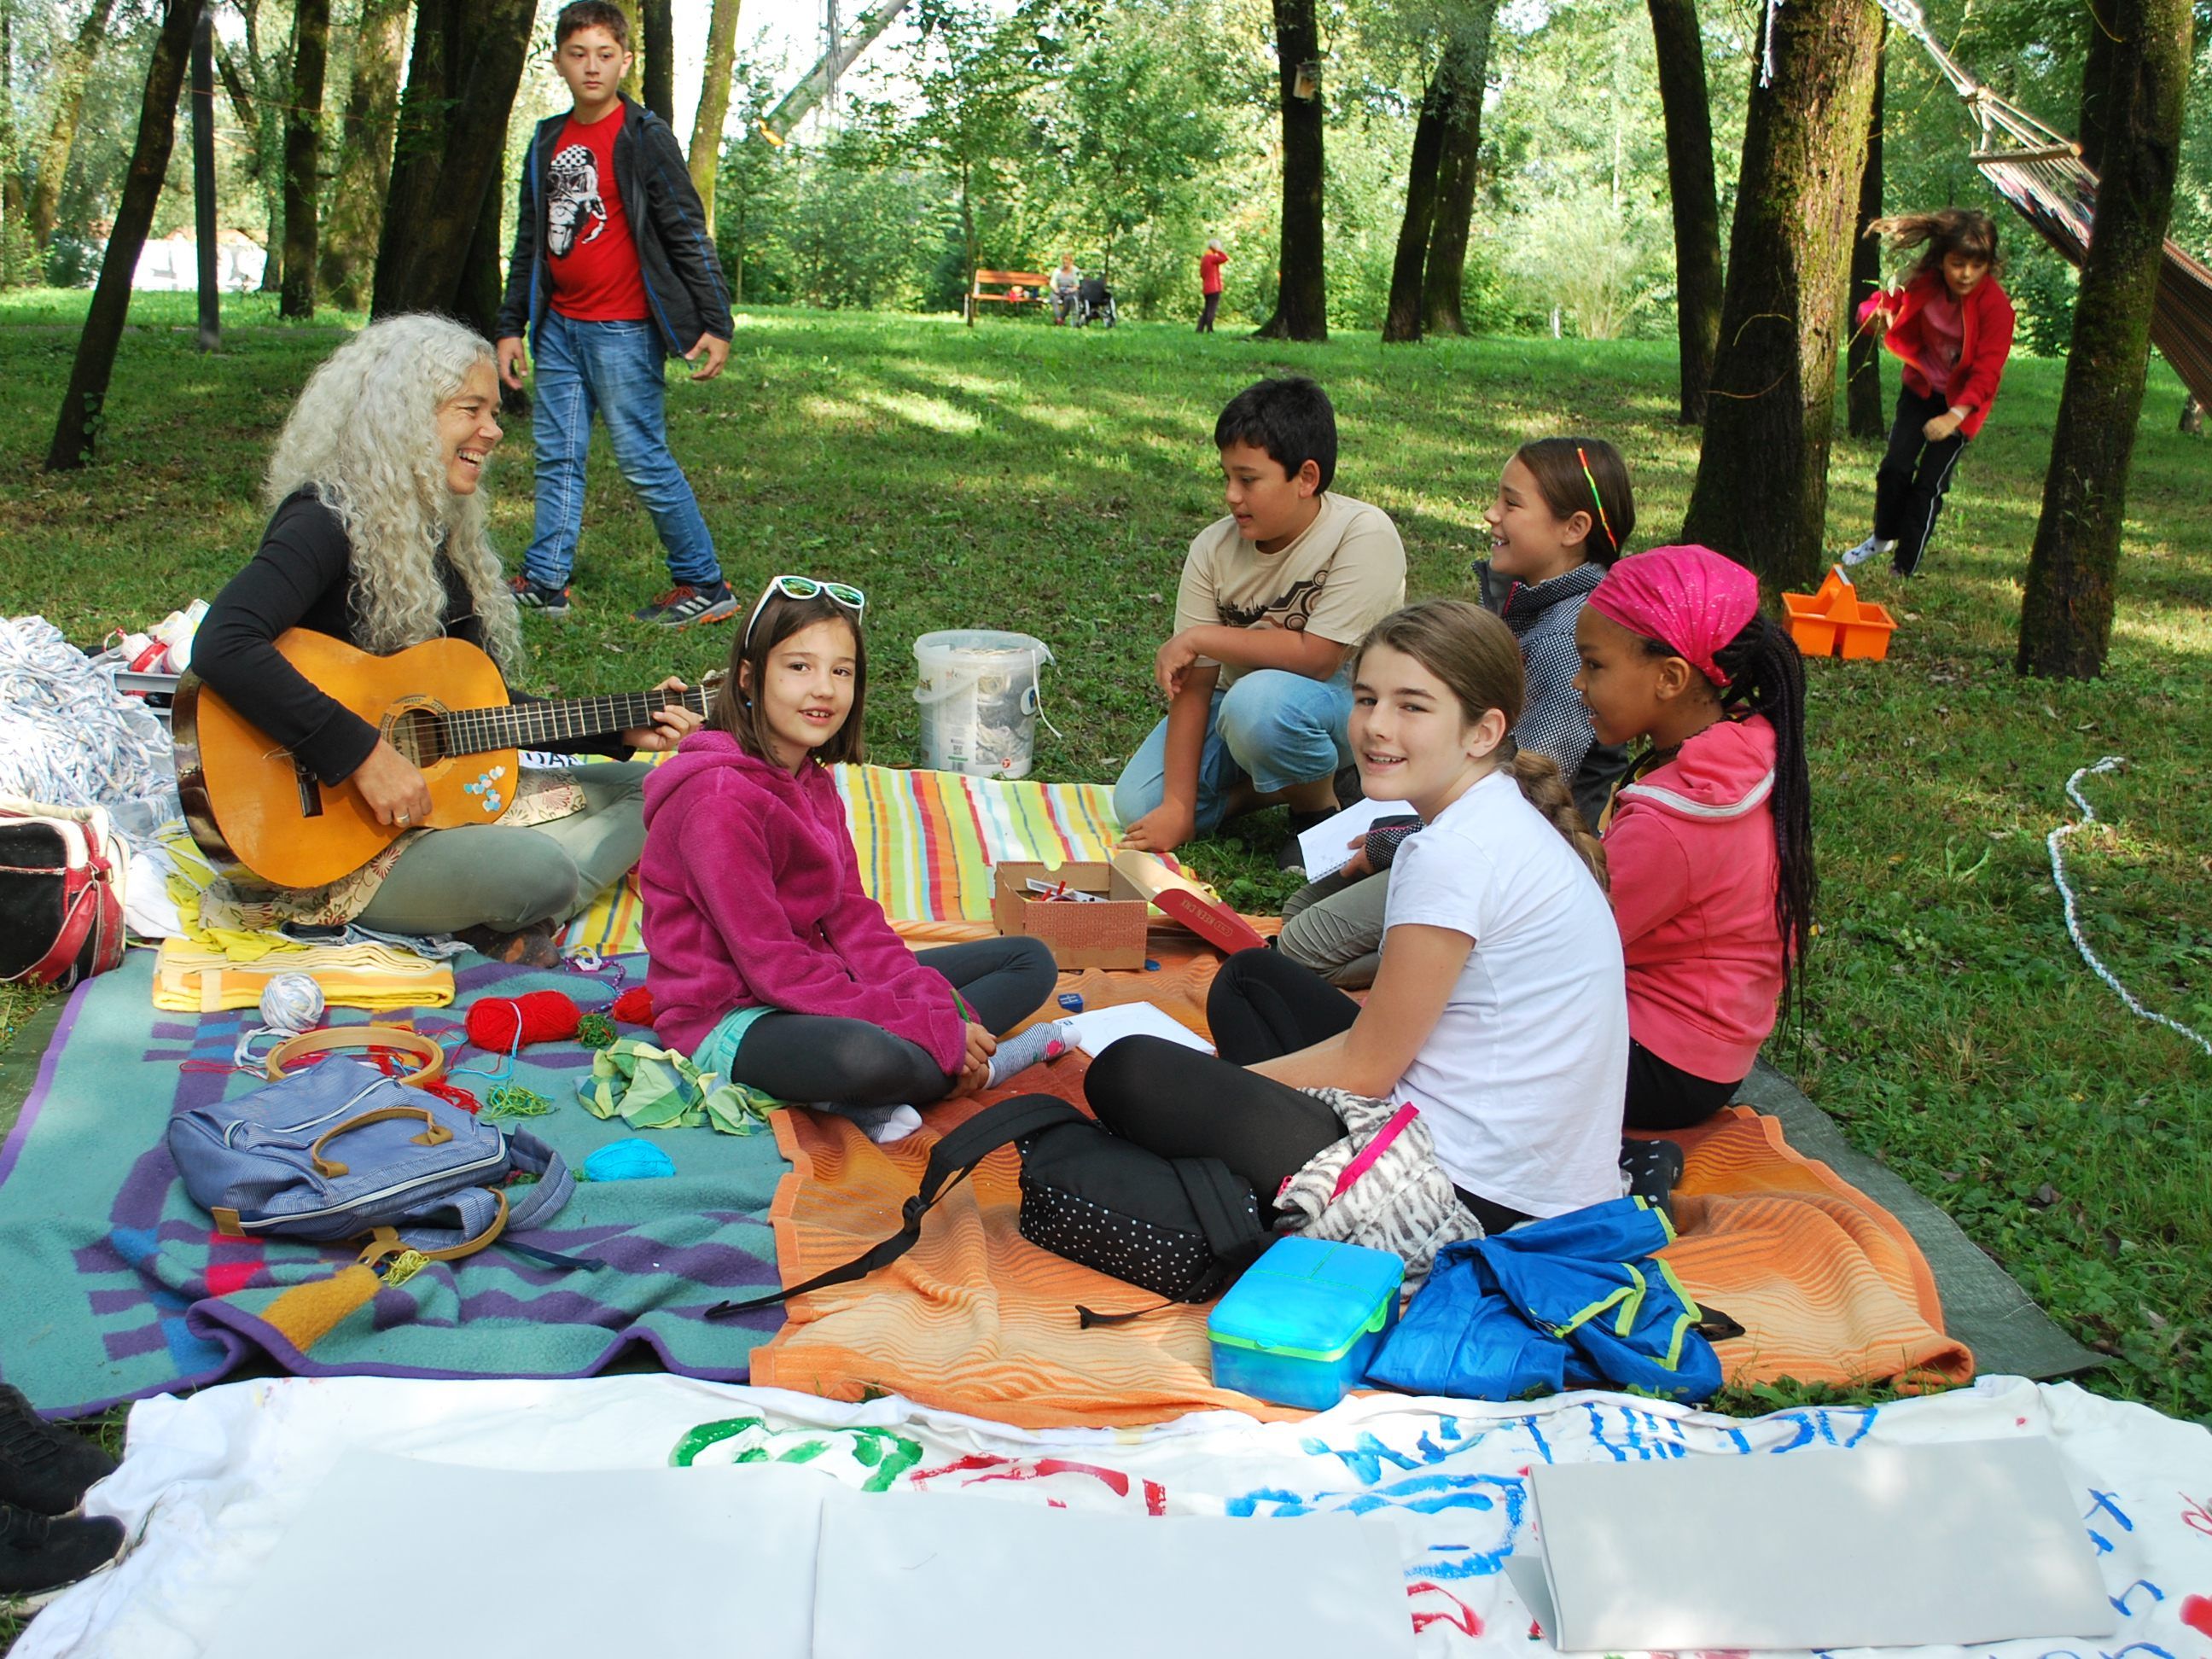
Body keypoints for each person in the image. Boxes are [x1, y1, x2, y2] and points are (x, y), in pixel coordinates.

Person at [1087, 601, 1627, 1234]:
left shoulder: (1453, 853)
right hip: (1528, 1168)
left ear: (1483, 732)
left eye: (1413, 706)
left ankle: (1254, 1188)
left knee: (1133, 1074)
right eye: (1367, 698)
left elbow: (1368, 1069)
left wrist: (1217, 1085)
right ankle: (1254, 1168)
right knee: (1251, 981)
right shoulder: (1494, 809)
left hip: (1470, 1195)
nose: (1377, 726)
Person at [192, 315, 700, 961]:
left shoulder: (442, 533)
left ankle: (493, 917)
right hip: (334, 842)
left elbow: (469, 714)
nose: (493, 431)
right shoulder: (324, 520)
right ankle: (504, 903)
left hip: (434, 807)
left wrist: (615, 728)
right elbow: (223, 642)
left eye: (494, 411)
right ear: (404, 417)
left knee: (659, 791)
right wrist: (364, 757)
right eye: (472, 410)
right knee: (539, 874)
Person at [639, 577, 1063, 1144]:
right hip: (731, 1016)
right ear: (748, 677)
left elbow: (852, 918)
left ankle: (917, 1069)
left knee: (1029, 961)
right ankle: (967, 1066)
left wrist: (931, 1005)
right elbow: (774, 969)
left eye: (841, 671)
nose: (823, 690)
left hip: (819, 983)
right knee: (868, 1057)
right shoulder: (717, 801)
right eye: (798, 667)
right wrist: (927, 1023)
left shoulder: (810, 780)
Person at [1278, 438, 1636, 987]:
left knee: (1302, 948)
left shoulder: (1568, 636)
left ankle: (1474, 957)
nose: (1491, 514)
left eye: (1511, 504)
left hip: (1504, 854)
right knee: (1299, 911)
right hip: (1452, 824)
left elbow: (1530, 794)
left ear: (1574, 528)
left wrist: (1396, 840)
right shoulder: (1522, 605)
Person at [494, 1, 738, 628]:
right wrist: (508, 326)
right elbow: (531, 239)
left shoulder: (642, 135)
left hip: (623, 329)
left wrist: (716, 322)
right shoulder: (548, 139)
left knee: (641, 457)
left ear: (625, 60)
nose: (592, 67)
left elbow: (685, 228)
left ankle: (704, 582)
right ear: (558, 61)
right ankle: (546, 581)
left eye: (605, 55)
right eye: (578, 55)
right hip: (558, 328)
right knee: (557, 455)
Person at [1115, 377, 1406, 869]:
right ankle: (1274, 786)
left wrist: (1202, 637)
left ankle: (1317, 809)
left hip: (1351, 700)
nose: (1231, 495)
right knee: (1138, 806)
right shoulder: (1212, 548)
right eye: (1226, 476)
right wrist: (1180, 808)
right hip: (1242, 705)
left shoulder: (1361, 532)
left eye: (1248, 480)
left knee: (1261, 704)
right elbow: (1196, 684)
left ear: (1306, 478)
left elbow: (1317, 659)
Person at [1571, 544, 1815, 1132]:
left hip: (1658, 1067)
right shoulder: (1744, 753)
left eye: (1594, 665)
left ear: (1671, 678)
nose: (1578, 682)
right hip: (1705, 1055)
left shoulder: (1674, 822)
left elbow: (1563, 945)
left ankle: (1631, 1164)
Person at [1842, 208, 2015, 579]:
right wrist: (1871, 317)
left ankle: (1904, 567)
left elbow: (1988, 371)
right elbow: (1881, 304)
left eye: (1975, 265)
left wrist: (1953, 417)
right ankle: (1882, 537)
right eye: (1957, 264)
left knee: (1928, 486)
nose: (1966, 274)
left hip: (1962, 408)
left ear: (1988, 265)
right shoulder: (1925, 284)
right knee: (1894, 468)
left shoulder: (1996, 308)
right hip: (1920, 391)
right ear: (1942, 260)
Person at [1197, 239, 1228, 333]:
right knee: (1212, 309)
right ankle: (1210, 329)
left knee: (1207, 308)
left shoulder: (1204, 258)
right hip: (1214, 287)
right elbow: (1225, 258)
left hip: (1206, 287)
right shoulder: (1212, 258)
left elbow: (1202, 273)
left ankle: (1200, 328)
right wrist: (1218, 251)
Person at [1051, 254, 1081, 324]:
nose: (1065, 264)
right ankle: (1058, 318)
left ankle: (1061, 318)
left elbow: (1077, 285)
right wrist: (1055, 289)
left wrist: (1071, 290)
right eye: (1064, 263)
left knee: (1068, 299)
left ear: (1071, 262)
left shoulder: (1075, 271)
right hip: (1060, 289)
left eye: (1067, 263)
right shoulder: (1058, 270)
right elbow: (1053, 282)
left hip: (1071, 290)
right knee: (1053, 298)